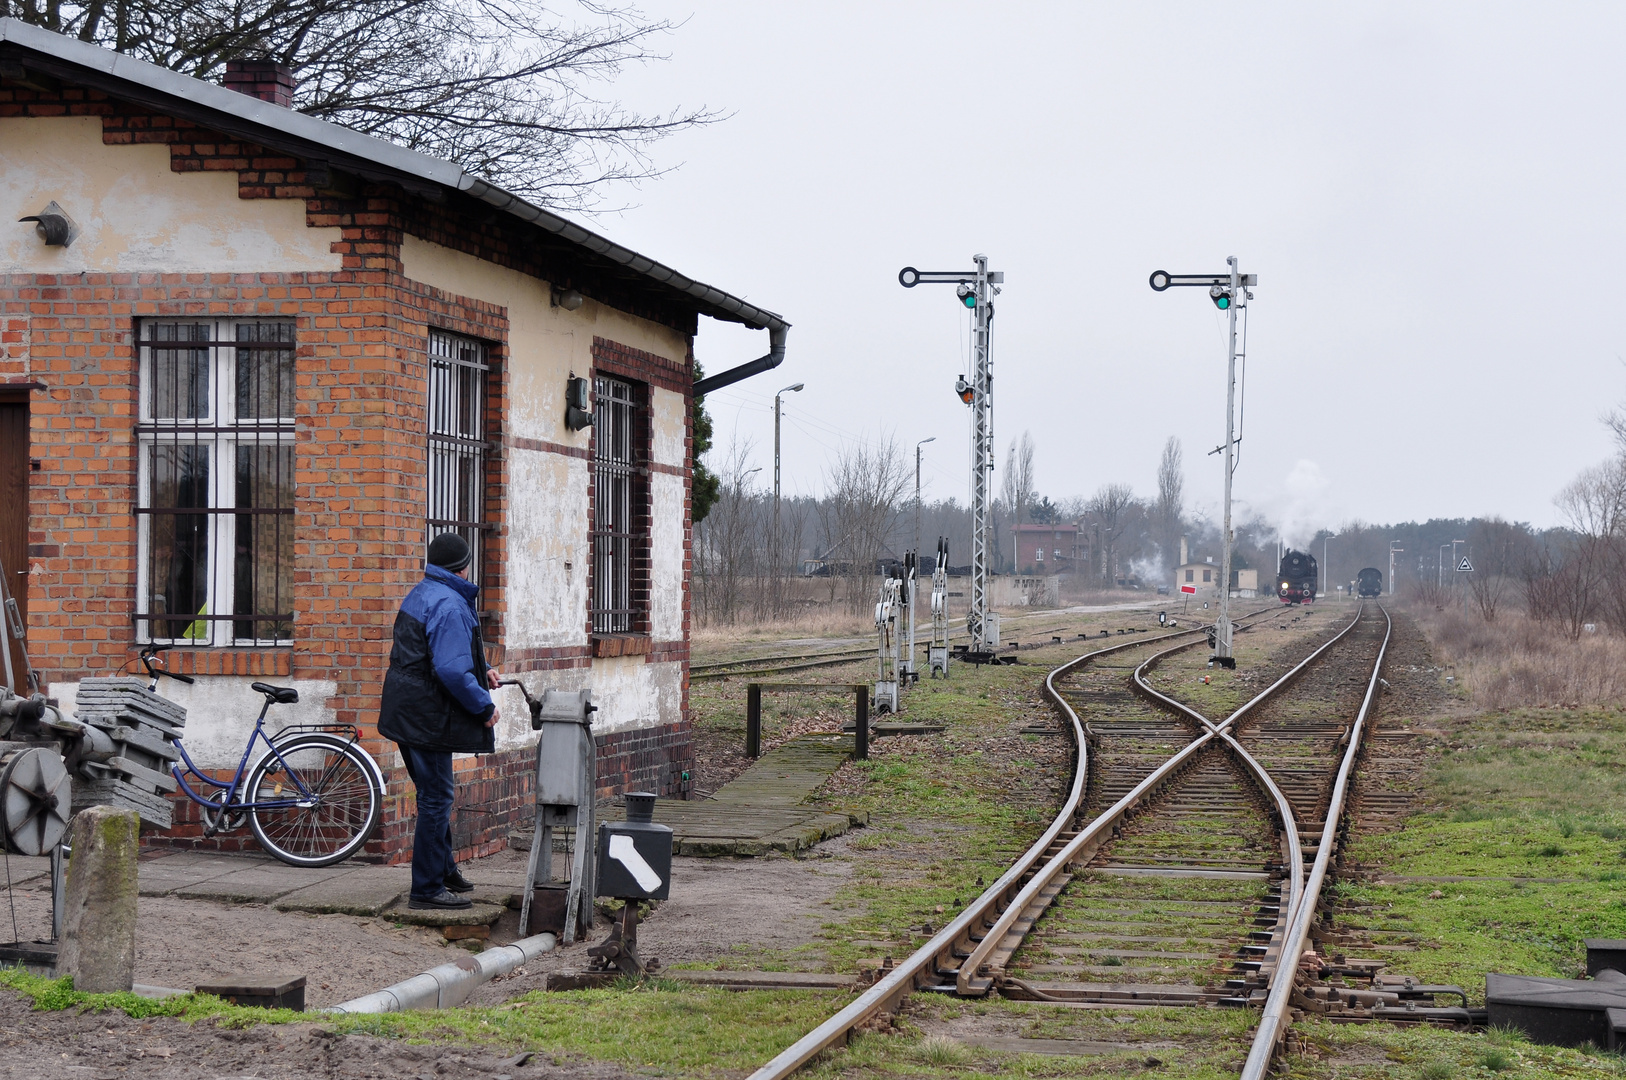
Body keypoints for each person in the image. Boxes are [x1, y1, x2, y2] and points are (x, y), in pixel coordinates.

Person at [378, 533, 501, 910]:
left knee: (434, 794)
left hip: (408, 711)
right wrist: (484, 706)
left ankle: (445, 870)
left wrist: (485, 671)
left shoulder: (424, 591)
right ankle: (427, 888)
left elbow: (433, 656)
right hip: (426, 718)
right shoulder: (450, 603)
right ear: (463, 566)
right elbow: (449, 670)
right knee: (436, 798)